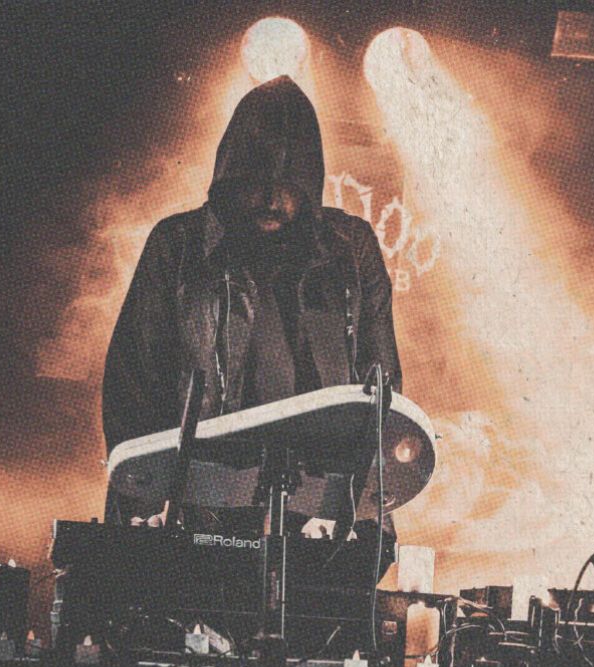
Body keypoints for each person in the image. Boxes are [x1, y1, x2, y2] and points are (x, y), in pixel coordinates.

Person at [102, 76, 400, 529]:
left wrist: (352, 512)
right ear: (232, 176)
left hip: (316, 517)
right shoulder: (178, 246)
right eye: (258, 181)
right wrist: (146, 504)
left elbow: (382, 391)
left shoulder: (350, 251)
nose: (273, 199)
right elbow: (132, 384)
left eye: (289, 184)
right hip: (194, 509)